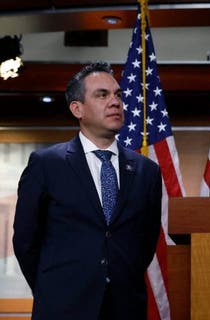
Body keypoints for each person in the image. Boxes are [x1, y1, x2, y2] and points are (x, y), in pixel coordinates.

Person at [13, 62, 162, 319]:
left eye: (117, 95)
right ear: (77, 108)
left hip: (126, 308)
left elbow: (146, 242)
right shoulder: (46, 164)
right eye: (102, 95)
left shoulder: (146, 171)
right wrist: (52, 290)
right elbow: (26, 241)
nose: (115, 102)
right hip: (62, 308)